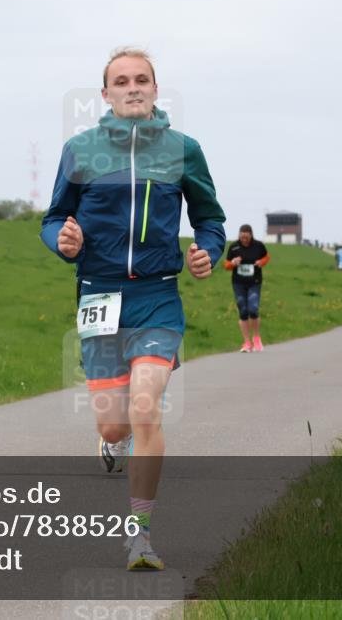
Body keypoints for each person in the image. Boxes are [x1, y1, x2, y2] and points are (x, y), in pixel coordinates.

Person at [41, 48, 225, 571]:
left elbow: (211, 218)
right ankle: (111, 442)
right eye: (120, 81)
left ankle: (139, 535)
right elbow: (53, 217)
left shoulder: (183, 151)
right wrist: (64, 240)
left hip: (157, 295)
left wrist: (208, 251)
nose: (132, 87)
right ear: (105, 95)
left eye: (141, 79)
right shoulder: (80, 150)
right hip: (98, 296)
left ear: (155, 89)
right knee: (113, 426)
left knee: (146, 407)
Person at [224, 224, 269, 352]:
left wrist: (262, 262)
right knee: (243, 311)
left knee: (253, 309)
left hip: (254, 282)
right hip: (238, 283)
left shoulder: (258, 246)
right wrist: (232, 263)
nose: (244, 239)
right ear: (239, 235)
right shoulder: (234, 247)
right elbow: (226, 264)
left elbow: (266, 257)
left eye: (246, 237)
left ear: (250, 235)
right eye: (242, 236)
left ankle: (256, 338)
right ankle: (247, 342)